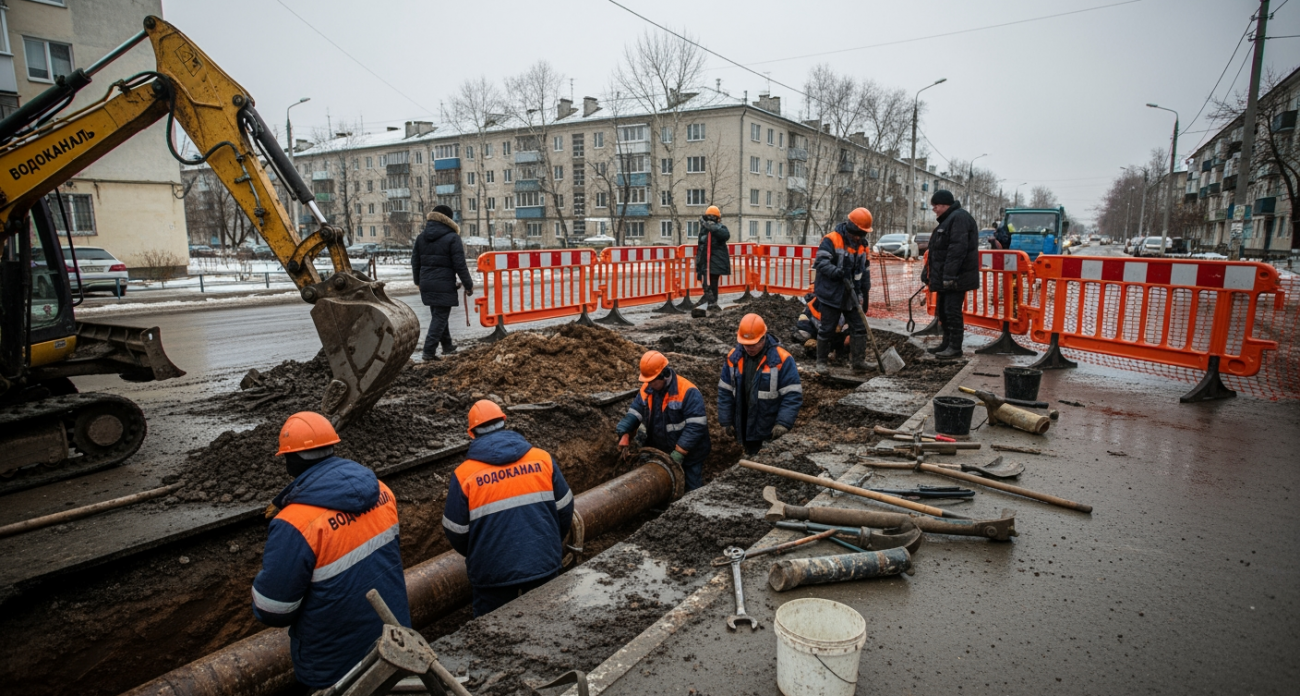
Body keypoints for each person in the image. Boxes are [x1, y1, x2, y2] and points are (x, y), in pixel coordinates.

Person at [252, 412, 410, 691]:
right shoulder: (383, 492)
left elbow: (272, 610)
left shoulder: (295, 524)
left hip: (335, 664)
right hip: (394, 640)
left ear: (291, 459)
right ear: (332, 446)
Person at [442, 400, 573, 617]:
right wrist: (549, 542)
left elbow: (456, 531)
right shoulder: (542, 459)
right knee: (551, 628)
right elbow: (565, 508)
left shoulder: (464, 475)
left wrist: (481, 551)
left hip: (492, 575)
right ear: (504, 421)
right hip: (543, 563)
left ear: (471, 434)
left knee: (493, 637)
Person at [615, 350, 711, 491]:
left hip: (691, 452)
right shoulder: (647, 389)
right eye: (647, 380)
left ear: (664, 374)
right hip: (662, 450)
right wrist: (624, 432)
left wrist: (680, 451)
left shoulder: (688, 391)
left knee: (692, 489)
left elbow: (696, 426)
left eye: (653, 380)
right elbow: (635, 413)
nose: (649, 384)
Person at [718, 313, 803, 456]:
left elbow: (792, 395)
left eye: (753, 344)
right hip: (743, 424)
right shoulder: (733, 358)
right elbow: (725, 391)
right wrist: (725, 420)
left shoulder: (781, 359)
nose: (749, 348)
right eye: (746, 344)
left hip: (767, 428)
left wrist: (783, 423)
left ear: (763, 337)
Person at [812, 207, 873, 373]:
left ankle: (858, 361)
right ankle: (822, 362)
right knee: (827, 328)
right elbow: (821, 263)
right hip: (831, 293)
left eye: (863, 233)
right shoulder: (831, 239)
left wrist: (865, 292)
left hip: (851, 294)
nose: (859, 236)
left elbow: (864, 271)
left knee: (859, 327)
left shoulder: (863, 246)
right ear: (851, 227)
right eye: (858, 232)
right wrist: (837, 273)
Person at [412, 204, 475, 361]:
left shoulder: (421, 237)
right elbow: (459, 264)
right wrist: (468, 284)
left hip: (426, 283)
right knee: (440, 316)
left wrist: (418, 281)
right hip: (443, 283)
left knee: (439, 315)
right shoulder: (453, 238)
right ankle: (428, 351)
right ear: (448, 220)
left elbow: (415, 262)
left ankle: (447, 346)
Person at [924, 190, 980, 359]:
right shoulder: (948, 220)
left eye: (935, 207)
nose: (935, 210)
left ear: (943, 205)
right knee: (943, 311)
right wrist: (927, 272)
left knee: (952, 311)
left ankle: (955, 347)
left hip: (956, 278)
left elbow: (957, 250)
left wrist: (949, 276)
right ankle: (946, 343)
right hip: (946, 277)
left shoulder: (959, 218)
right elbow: (937, 252)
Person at [692, 205, 730, 318]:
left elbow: (725, 235)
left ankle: (711, 303)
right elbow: (701, 246)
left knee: (712, 282)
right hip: (705, 262)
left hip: (714, 262)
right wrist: (699, 263)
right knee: (706, 284)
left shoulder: (720, 229)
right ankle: (709, 303)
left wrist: (709, 226)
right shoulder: (704, 230)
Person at [794, 289, 848, 361]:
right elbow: (804, 323)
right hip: (813, 327)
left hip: (831, 331)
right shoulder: (817, 303)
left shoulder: (847, 304)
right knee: (803, 334)